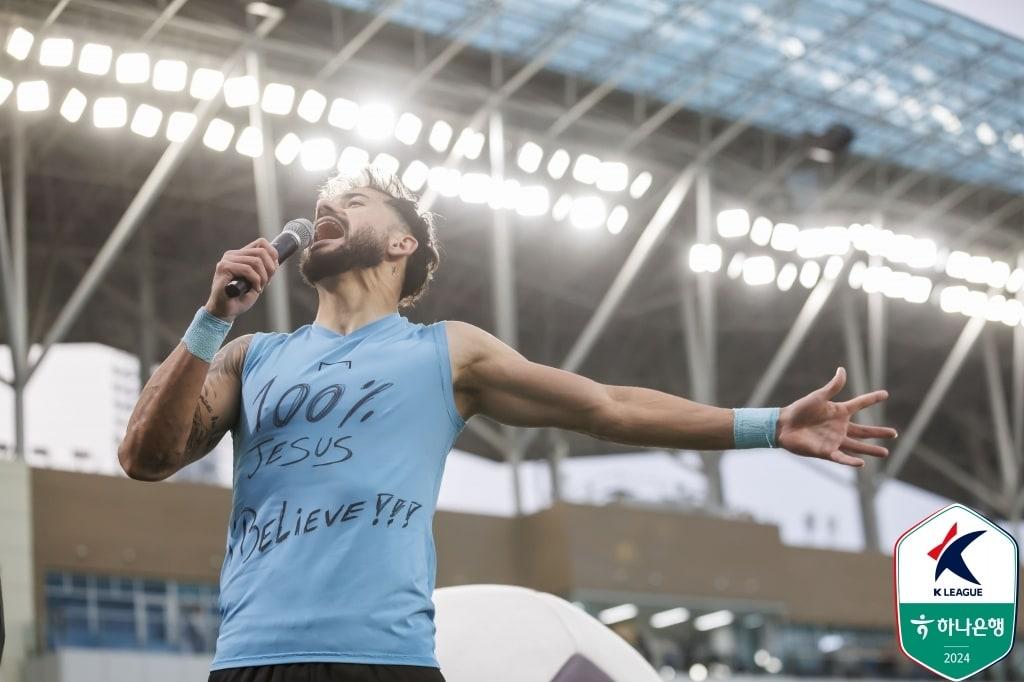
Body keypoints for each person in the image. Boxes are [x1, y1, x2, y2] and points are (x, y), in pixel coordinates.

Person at [118, 168, 897, 682]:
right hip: (250, 658)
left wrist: (767, 425)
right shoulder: (251, 355)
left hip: (382, 660)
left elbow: (608, 405)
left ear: (401, 244)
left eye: (353, 202)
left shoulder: (445, 352)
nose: (329, 205)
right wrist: (213, 318)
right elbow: (145, 459)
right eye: (328, 199)